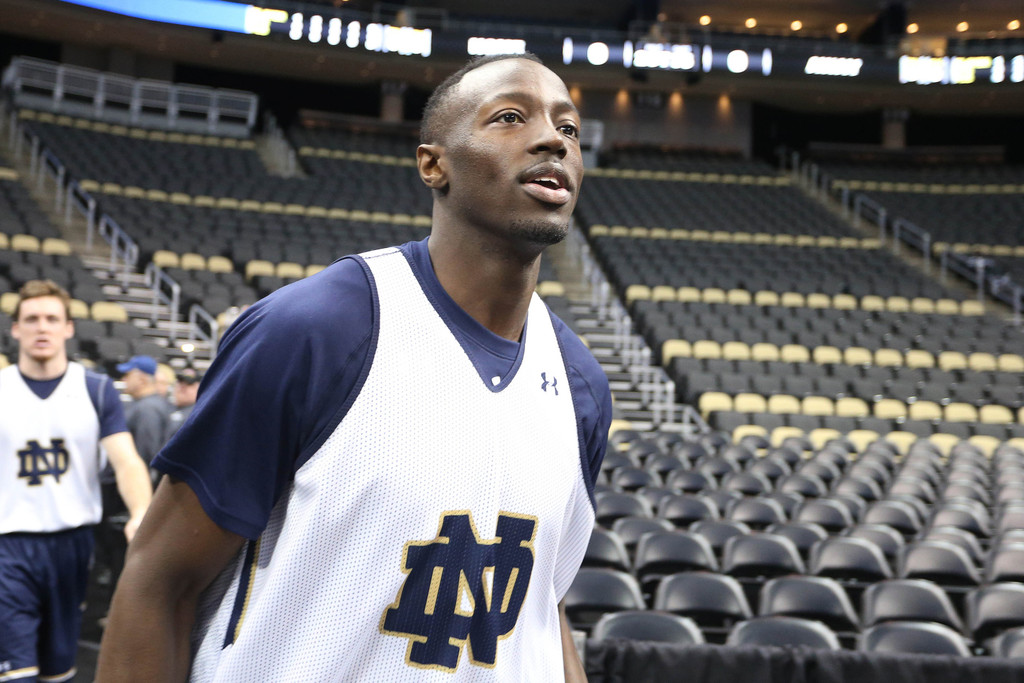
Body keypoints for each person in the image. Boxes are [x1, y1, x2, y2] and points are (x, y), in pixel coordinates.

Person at [98, 53, 610, 682]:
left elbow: (537, 606)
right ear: (434, 164)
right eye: (509, 117)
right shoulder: (313, 329)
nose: (550, 140)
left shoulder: (580, 384)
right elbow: (160, 581)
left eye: (569, 129)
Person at [0, 279, 153, 683]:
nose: (42, 327)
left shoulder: (96, 389)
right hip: (9, 545)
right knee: (16, 673)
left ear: (69, 328)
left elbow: (126, 461)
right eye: (31, 319)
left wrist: (141, 512)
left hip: (73, 543)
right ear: (16, 329)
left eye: (52, 318)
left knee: (59, 671)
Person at [117, 355, 172, 466]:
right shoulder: (145, 404)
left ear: (142, 380)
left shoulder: (148, 408)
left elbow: (146, 454)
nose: (123, 379)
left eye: (127, 375)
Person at [165, 368, 201, 439]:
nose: (183, 386)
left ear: (198, 388)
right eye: (180, 382)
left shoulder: (198, 414)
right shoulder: (166, 407)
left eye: (189, 384)